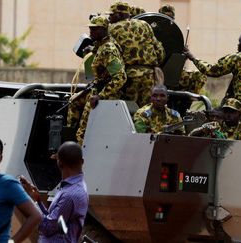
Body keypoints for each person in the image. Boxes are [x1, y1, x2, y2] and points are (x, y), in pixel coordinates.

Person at [184, 30, 241, 116]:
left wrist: (192, 57)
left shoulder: (238, 58)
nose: (238, 44)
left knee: (209, 117)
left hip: (240, 109)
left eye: (240, 42)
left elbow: (211, 71)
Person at [71, 15, 127, 145]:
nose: (91, 32)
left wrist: (100, 96)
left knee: (83, 131)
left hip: (106, 94)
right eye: (91, 29)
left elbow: (120, 77)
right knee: (73, 101)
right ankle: (69, 142)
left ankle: (79, 151)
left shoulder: (108, 49)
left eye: (95, 29)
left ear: (103, 30)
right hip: (97, 88)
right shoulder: (101, 45)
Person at [20, 141, 89, 243]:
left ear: (59, 162)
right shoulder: (75, 187)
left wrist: (28, 201)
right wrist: (37, 200)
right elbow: (56, 222)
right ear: (82, 161)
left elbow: (47, 227)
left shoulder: (69, 195)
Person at [108, 2, 165, 107]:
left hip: (129, 77)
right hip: (149, 76)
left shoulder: (112, 29)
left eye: (111, 15)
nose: (109, 17)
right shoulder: (144, 25)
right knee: (147, 110)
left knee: (130, 110)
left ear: (119, 14)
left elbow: (108, 55)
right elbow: (160, 51)